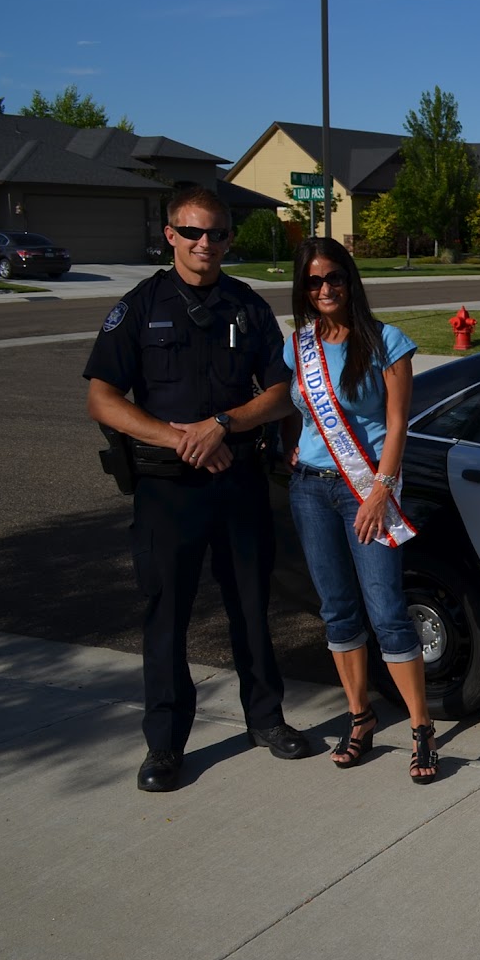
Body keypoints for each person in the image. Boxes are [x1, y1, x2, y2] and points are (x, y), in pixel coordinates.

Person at [84, 187, 309, 792]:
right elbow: (101, 397)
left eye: (216, 234)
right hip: (166, 491)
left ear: (230, 239)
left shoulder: (248, 308)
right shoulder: (139, 307)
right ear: (170, 235)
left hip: (237, 482)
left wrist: (222, 426)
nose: (204, 244)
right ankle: (164, 745)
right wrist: (174, 436)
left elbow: (283, 390)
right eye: (192, 232)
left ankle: (266, 720)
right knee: (166, 619)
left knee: (251, 614)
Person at [284, 237, 438, 783]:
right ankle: (360, 717)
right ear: (303, 288)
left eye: (334, 278)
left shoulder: (387, 342)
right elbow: (298, 409)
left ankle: (421, 727)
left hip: (365, 489)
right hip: (309, 490)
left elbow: (398, 425)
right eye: (313, 281)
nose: (325, 289)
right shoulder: (297, 345)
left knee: (387, 610)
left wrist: (380, 490)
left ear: (350, 280)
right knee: (337, 610)